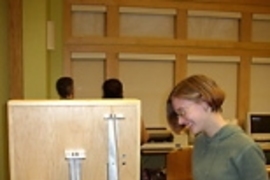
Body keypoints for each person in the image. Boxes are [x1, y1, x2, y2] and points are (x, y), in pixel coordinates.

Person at [166, 74, 268, 180]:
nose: (180, 121)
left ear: (205, 102)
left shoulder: (245, 148)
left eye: (182, 112)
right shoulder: (200, 142)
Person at [102, 78, 149, 144]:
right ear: (121, 92)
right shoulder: (132, 111)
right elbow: (143, 137)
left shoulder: (97, 112)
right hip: (129, 151)